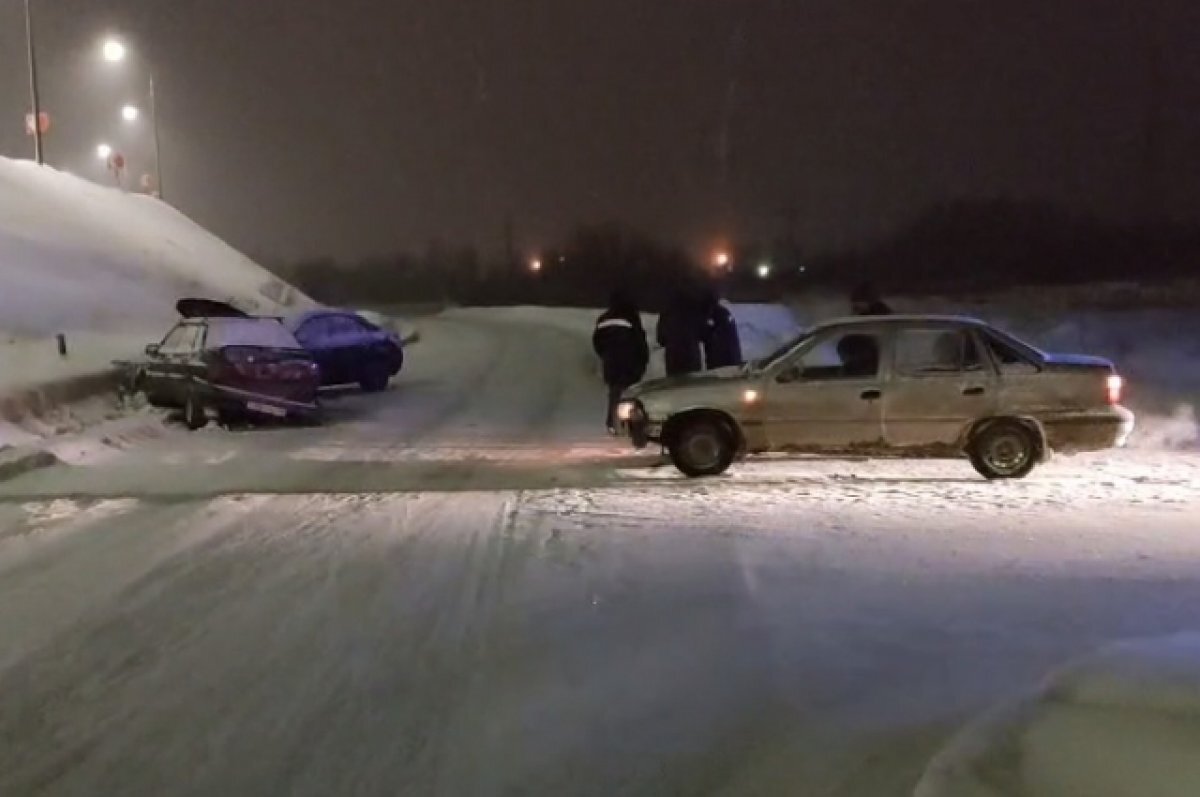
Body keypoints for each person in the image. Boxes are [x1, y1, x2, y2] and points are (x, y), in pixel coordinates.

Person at [593, 289, 650, 433]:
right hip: (630, 361)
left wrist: (605, 355)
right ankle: (631, 423)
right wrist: (643, 359)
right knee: (632, 393)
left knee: (615, 393)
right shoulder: (631, 317)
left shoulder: (603, 319)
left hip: (611, 362)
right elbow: (639, 340)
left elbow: (597, 342)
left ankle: (612, 422)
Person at [656, 289, 704, 377]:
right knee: (693, 379)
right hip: (691, 351)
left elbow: (660, 338)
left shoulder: (666, 311)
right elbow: (702, 332)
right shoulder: (694, 308)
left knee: (675, 381)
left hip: (673, 353)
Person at [701, 289, 743, 369]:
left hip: (724, 360)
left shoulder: (718, 313)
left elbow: (712, 334)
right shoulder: (722, 313)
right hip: (727, 359)